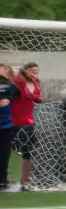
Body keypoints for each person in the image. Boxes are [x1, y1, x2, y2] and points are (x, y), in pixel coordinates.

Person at [12, 62, 41, 190]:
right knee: (10, 150)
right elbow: (25, 95)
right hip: (15, 121)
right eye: (32, 70)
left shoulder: (36, 83)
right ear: (26, 71)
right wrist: (35, 97)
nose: (35, 73)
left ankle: (25, 181)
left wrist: (36, 97)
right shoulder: (19, 81)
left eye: (37, 71)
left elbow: (37, 97)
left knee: (28, 152)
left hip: (29, 121)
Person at [0, 65, 18, 191]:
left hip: (6, 125)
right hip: (6, 124)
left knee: (4, 154)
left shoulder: (12, 86)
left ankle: (2, 180)